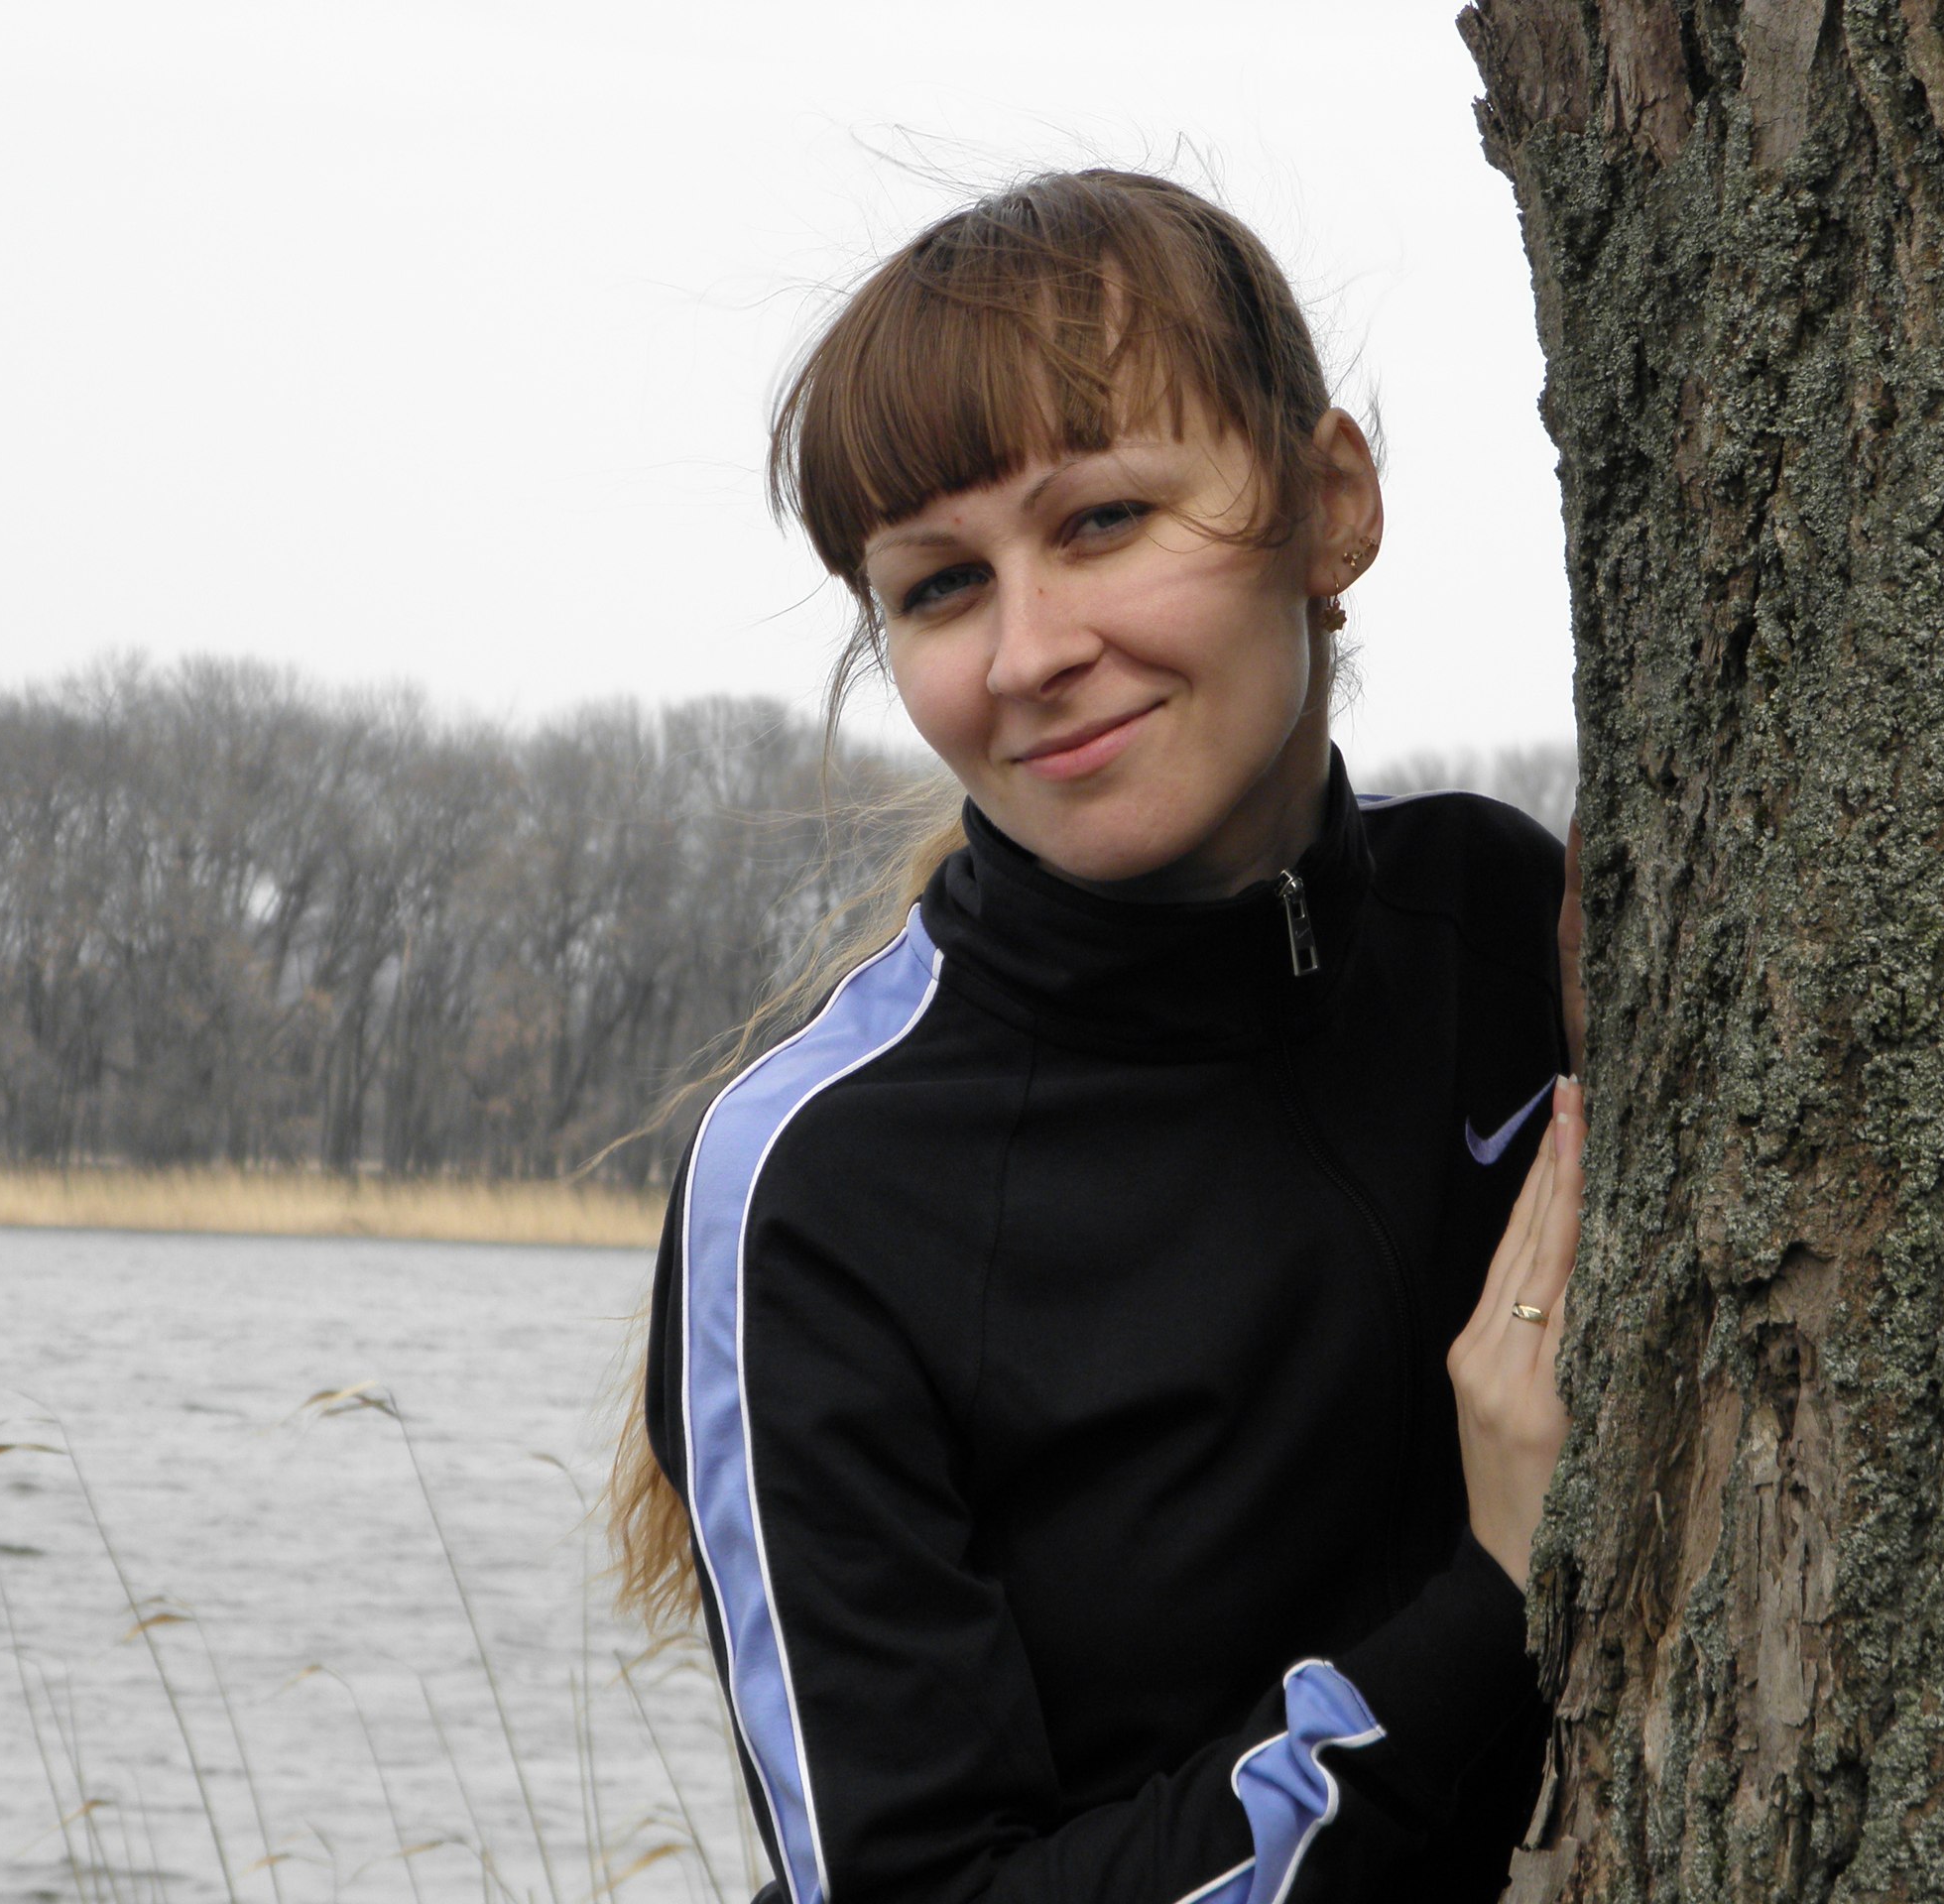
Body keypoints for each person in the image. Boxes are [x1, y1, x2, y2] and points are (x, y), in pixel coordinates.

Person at [609, 168, 1587, 1904]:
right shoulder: (821, 1188)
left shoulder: (1505, 927)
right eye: (938, 587)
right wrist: (1490, 1603)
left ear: (1331, 507)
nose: (1029, 654)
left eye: (1104, 520)